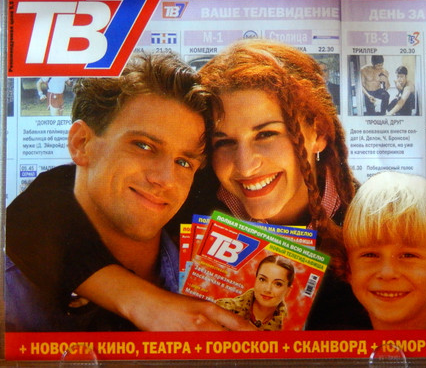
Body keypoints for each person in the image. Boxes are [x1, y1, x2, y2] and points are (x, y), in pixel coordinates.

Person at [6, 39, 364, 331]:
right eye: (224, 141)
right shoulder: (194, 190)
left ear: (318, 132)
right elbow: (40, 206)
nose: (245, 164)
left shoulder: (367, 220)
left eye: (267, 134)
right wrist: (139, 300)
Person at [6, 53, 253, 332]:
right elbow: (37, 203)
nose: (165, 180)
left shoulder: (235, 283)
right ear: (81, 143)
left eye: (184, 162)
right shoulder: (11, 294)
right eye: (143, 146)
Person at [342, 171, 426, 330]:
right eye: (370, 255)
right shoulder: (336, 343)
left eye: (408, 255)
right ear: (349, 269)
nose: (387, 273)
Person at [216, 255, 294, 331]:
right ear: (256, 279)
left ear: (288, 291)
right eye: (262, 279)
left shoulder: (289, 328)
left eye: (278, 284)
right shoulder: (224, 308)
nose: (267, 289)